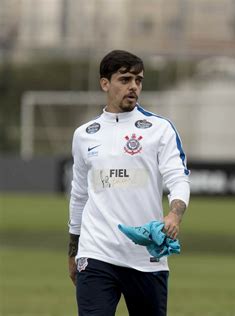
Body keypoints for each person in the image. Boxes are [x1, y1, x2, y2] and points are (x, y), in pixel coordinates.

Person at [67, 50, 190, 315]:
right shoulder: (84, 135)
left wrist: (175, 214)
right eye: (124, 79)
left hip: (147, 256)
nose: (133, 86)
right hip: (96, 251)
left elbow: (178, 177)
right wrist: (73, 250)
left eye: (138, 80)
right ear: (105, 83)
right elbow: (79, 195)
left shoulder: (160, 129)